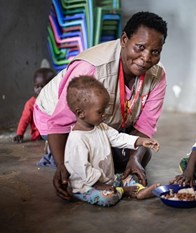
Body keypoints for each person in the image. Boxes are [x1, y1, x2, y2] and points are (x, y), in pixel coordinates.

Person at [33, 11, 168, 200]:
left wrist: (134, 159)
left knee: (140, 156)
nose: (146, 58)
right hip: (57, 118)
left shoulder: (158, 76)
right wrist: (63, 166)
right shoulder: (92, 68)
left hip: (105, 120)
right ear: (124, 40)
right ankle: (53, 153)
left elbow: (144, 126)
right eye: (140, 47)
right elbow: (59, 122)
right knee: (87, 159)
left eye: (155, 52)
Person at [64, 76, 160, 206]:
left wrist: (140, 141)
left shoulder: (101, 127)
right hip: (88, 187)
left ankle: (139, 191)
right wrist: (100, 185)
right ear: (81, 113)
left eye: (104, 110)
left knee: (128, 177)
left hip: (108, 180)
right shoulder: (76, 139)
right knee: (107, 198)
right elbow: (83, 170)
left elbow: (118, 138)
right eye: (100, 112)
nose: (104, 115)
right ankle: (124, 191)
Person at [13, 68, 56, 143]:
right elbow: (24, 119)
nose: (39, 89)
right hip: (39, 136)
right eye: (37, 86)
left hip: (54, 134)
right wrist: (19, 134)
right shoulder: (31, 103)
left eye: (43, 86)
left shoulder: (55, 101)